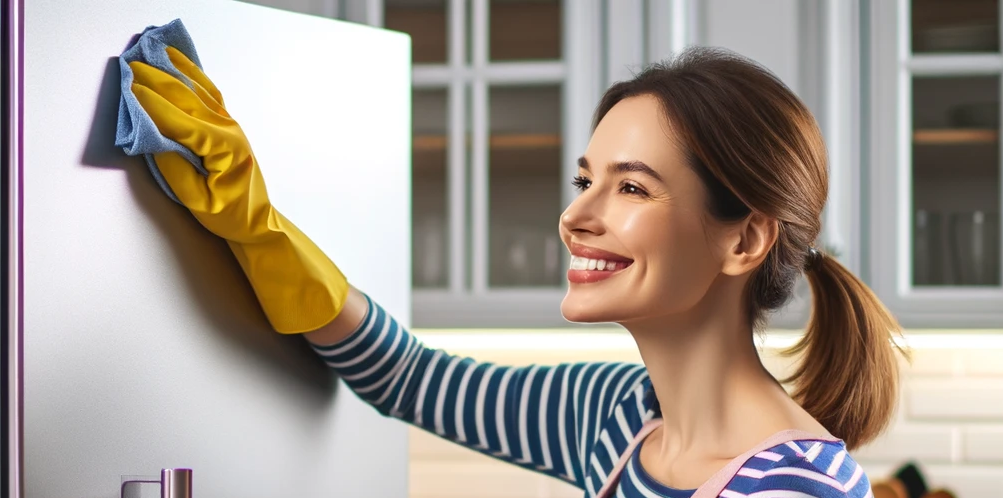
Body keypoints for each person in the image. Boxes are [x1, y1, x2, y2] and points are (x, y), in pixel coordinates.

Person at [128, 44, 904, 497]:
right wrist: (254, 226)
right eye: (584, 181)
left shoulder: (795, 489)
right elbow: (409, 379)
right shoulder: (618, 418)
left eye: (630, 186)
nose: (575, 217)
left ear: (743, 241)